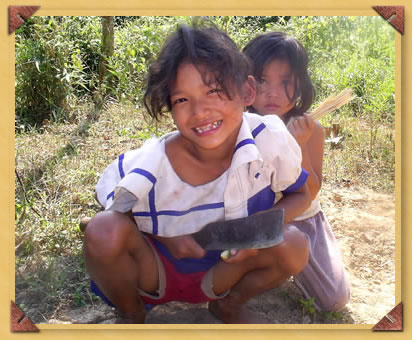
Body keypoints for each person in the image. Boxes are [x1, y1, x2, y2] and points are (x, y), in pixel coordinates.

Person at [83, 21, 312, 324]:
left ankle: (228, 306)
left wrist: (252, 233)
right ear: (169, 106)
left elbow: (302, 194)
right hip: (157, 274)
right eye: (182, 99)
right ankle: (132, 313)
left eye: (214, 90)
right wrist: (164, 238)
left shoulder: (268, 140)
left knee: (294, 244)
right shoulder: (151, 164)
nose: (200, 111)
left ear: (246, 90)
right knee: (102, 229)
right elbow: (113, 214)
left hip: (224, 275)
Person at [243, 31, 350, 312]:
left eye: (286, 81)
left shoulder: (310, 129)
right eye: (263, 80)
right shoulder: (240, 126)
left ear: (300, 84)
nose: (273, 92)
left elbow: (312, 189)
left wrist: (296, 146)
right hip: (253, 218)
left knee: (334, 299)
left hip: (303, 221)